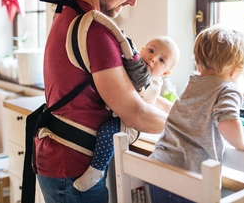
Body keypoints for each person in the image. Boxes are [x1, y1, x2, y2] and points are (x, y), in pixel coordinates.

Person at [36, 0, 168, 203]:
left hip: (59, 160)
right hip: (73, 168)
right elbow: (133, 113)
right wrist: (188, 127)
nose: (133, 1)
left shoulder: (67, 10)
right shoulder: (95, 31)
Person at [148, 25, 244, 203]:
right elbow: (227, 122)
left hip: (158, 169)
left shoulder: (194, 84)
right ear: (235, 69)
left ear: (197, 62)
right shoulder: (229, 90)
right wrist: (243, 143)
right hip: (187, 178)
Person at [73, 36, 180, 192]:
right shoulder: (136, 68)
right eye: (151, 51)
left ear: (165, 73)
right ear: (142, 49)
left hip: (130, 126)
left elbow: (145, 100)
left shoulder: (152, 81)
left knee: (107, 131)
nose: (153, 58)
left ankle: (96, 170)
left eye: (161, 60)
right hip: (120, 114)